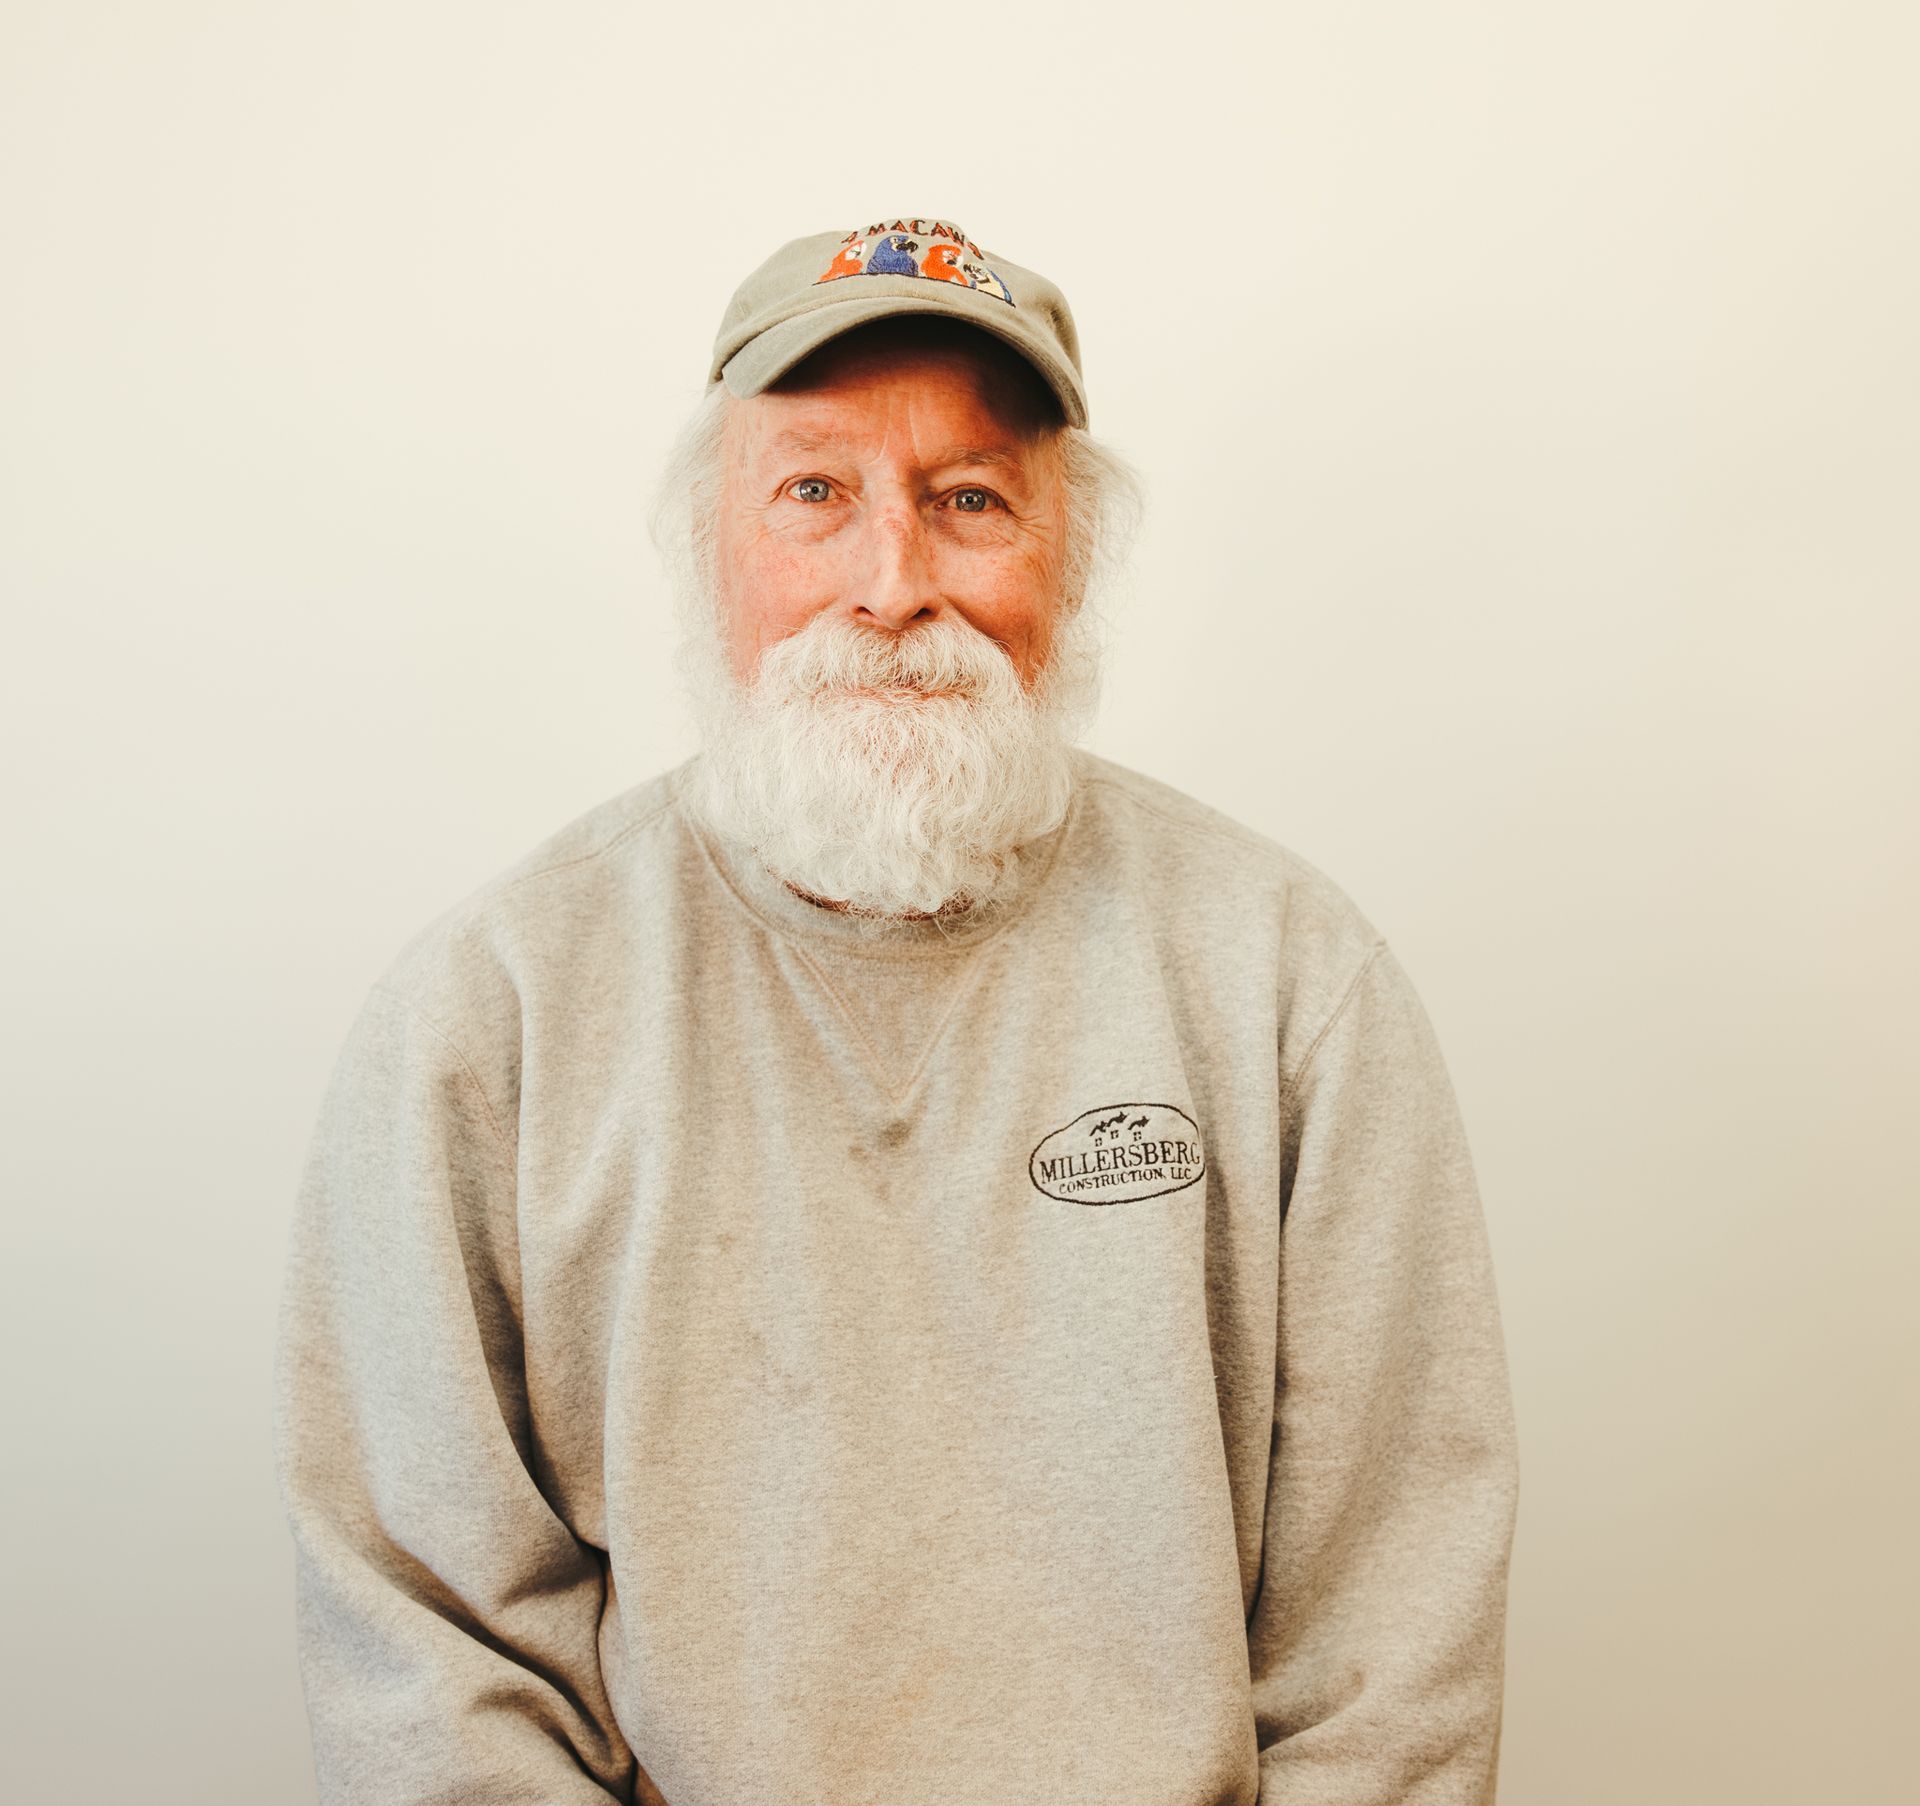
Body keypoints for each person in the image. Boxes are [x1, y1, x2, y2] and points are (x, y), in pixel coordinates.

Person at [274, 215, 1520, 1806]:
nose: (890, 582)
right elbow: (426, 1649)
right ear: (706, 545)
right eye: (814, 492)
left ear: (1069, 561)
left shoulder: (1290, 982)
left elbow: (1391, 1646)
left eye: (969, 500)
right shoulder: (490, 1015)